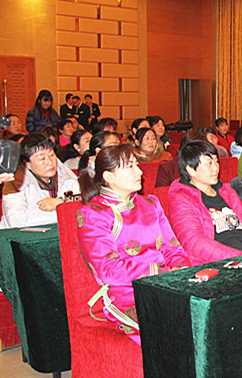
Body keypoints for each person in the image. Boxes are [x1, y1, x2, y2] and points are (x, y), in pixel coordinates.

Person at [77, 144, 190, 344]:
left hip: (167, 281)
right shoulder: (94, 214)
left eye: (137, 165)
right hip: (127, 291)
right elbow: (108, 269)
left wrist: (180, 270)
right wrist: (161, 272)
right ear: (109, 177)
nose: (140, 172)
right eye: (130, 166)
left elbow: (172, 248)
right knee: (174, 324)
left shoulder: (151, 203)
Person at [0, 133, 80, 291]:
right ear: (27, 164)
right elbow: (18, 220)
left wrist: (61, 203)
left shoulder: (66, 178)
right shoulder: (14, 182)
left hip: (57, 248)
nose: (50, 162)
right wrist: (62, 210)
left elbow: (83, 207)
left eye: (51, 155)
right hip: (19, 252)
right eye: (42, 158)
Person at [168, 141, 242, 265]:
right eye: (209, 163)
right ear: (191, 170)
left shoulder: (227, 192)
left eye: (216, 161)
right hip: (219, 263)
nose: (216, 168)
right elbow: (193, 242)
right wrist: (238, 258)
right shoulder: (181, 199)